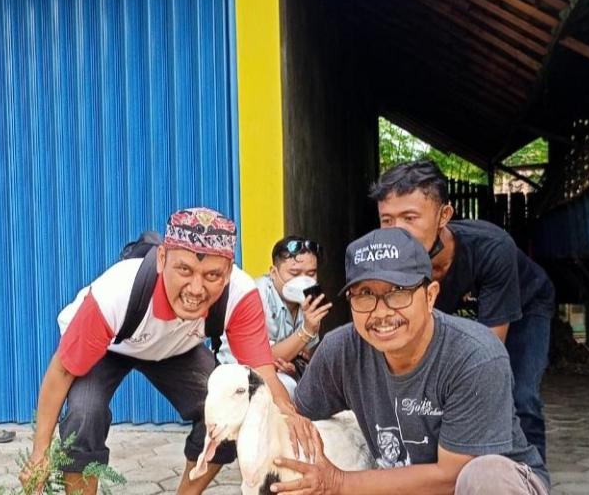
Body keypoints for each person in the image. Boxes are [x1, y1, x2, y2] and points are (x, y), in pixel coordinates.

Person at [19, 207, 313, 495]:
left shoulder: (240, 294)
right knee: (85, 413)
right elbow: (62, 371)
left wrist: (289, 415)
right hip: (109, 346)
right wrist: (39, 454)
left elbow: (263, 374)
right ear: (162, 259)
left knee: (232, 407)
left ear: (227, 273)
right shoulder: (115, 294)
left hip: (177, 347)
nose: (196, 288)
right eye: (184, 270)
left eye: (212, 275)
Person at [271, 228, 549, 494]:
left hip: (489, 487)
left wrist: (338, 483)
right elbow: (296, 419)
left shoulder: (474, 355)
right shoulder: (341, 350)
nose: (381, 312)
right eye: (365, 294)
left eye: (398, 292)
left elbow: (450, 477)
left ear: (430, 296)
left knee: (484, 476)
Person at [369, 160, 554, 462]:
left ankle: (532, 475)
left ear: (444, 215)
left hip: (528, 302)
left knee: (520, 396)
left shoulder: (493, 248)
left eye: (410, 217)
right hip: (464, 308)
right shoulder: (387, 260)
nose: (397, 232)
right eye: (387, 220)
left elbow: (488, 351)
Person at [216, 236, 332, 397]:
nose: (304, 280)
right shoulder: (256, 296)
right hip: (237, 377)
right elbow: (262, 359)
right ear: (273, 273)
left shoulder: (310, 298)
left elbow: (307, 355)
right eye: (294, 273)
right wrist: (306, 331)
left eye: (311, 273)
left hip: (277, 374)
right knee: (288, 387)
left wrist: (295, 365)